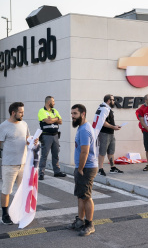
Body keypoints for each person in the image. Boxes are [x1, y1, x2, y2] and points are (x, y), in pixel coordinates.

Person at [0, 102, 37, 224]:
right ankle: (5, 214)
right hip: (9, 165)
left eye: (23, 111)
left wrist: (33, 141)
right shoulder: (3, 126)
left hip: (23, 165)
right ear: (13, 113)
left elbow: (27, 139)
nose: (23, 114)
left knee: (23, 190)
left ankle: (20, 212)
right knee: (6, 191)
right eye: (20, 112)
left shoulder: (24, 124)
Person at [68, 104, 98, 236]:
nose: (72, 116)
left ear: (83, 114)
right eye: (72, 114)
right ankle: (80, 221)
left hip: (86, 167)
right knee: (80, 196)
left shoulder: (85, 130)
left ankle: (90, 224)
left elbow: (85, 152)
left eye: (75, 114)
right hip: (83, 167)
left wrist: (80, 168)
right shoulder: (82, 127)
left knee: (86, 197)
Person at [38, 96, 66, 180]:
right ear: (48, 102)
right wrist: (56, 119)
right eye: (53, 102)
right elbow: (48, 121)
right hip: (46, 136)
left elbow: (60, 121)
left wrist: (54, 119)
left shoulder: (55, 111)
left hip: (55, 135)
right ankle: (41, 173)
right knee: (44, 155)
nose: (54, 103)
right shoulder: (41, 111)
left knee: (55, 154)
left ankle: (57, 172)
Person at [97, 94, 123, 176]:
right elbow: (102, 122)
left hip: (110, 133)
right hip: (104, 133)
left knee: (111, 151)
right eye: (113, 100)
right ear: (108, 100)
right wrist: (113, 127)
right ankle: (100, 169)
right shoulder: (104, 109)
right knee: (102, 152)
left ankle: (113, 167)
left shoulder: (106, 108)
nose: (114, 101)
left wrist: (114, 127)